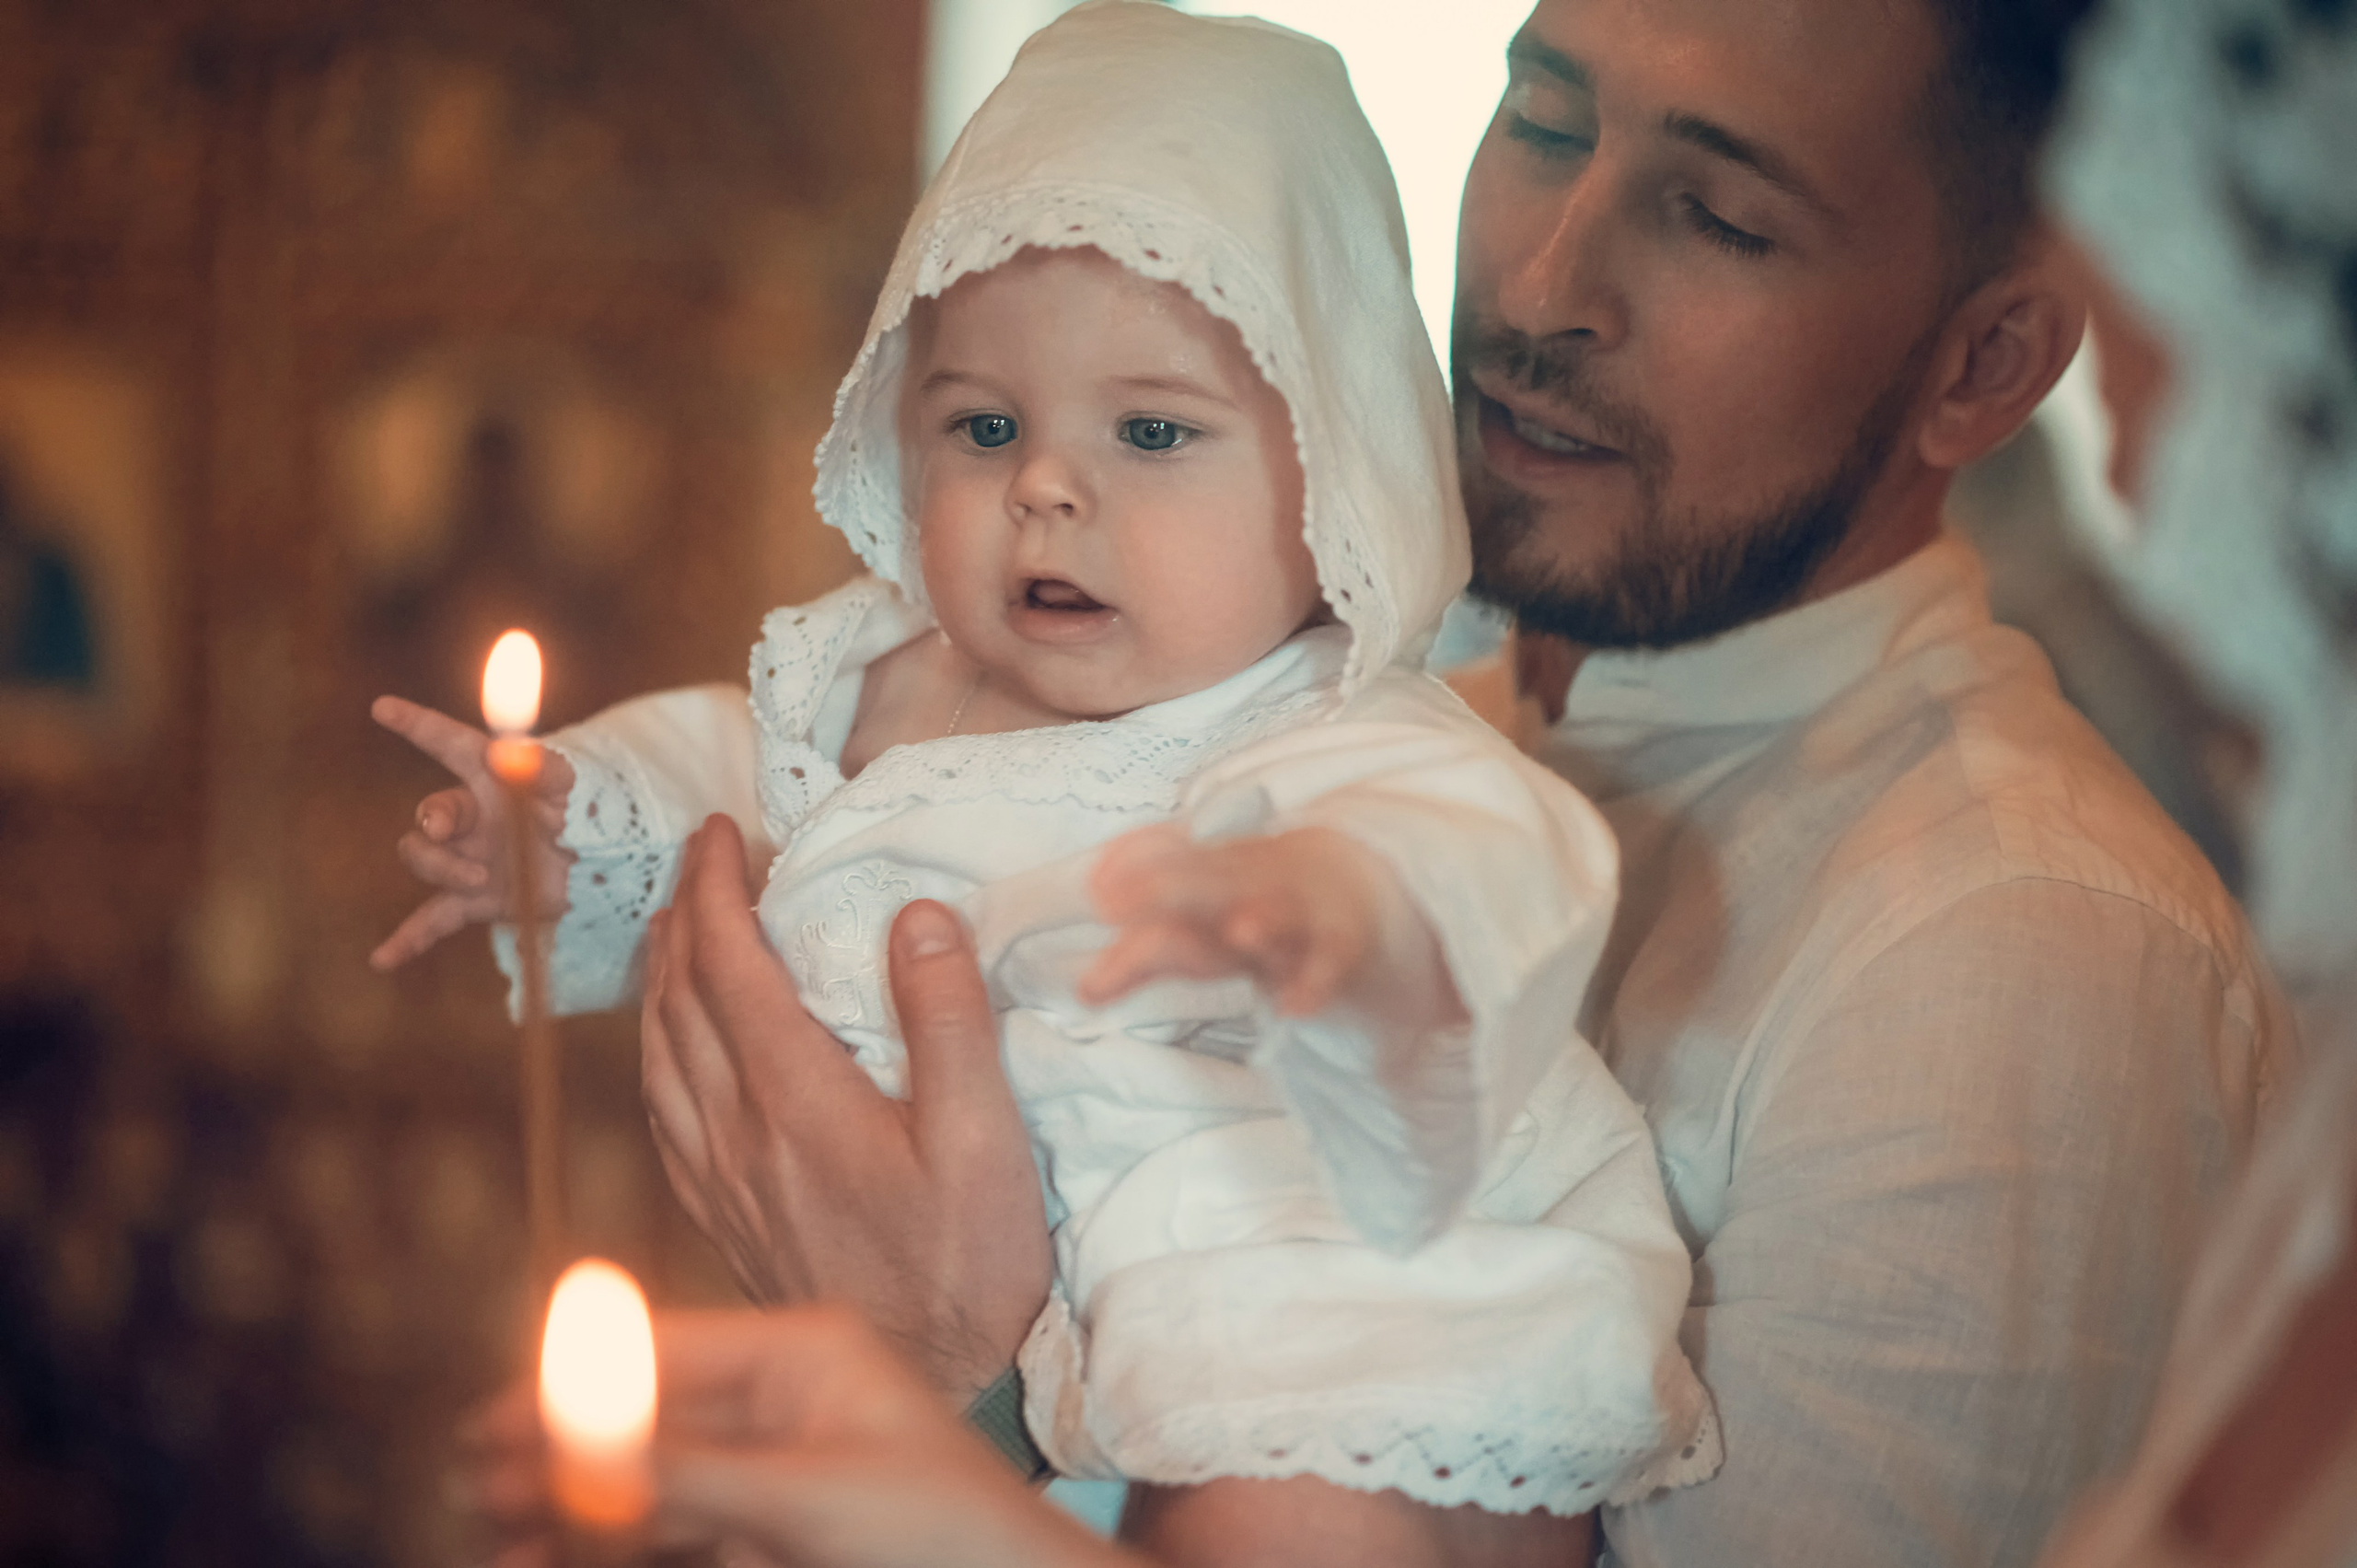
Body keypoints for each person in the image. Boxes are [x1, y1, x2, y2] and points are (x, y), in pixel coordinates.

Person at [462, 0, 2300, 1562]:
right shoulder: (1303, 714)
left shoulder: (2014, 955)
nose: (1543, 282)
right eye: (1544, 118)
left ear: (1980, 364)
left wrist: (957, 1378)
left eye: (1716, 217)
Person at [386, 3, 1716, 1550]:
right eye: (984, 425)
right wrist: (567, 818)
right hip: (1036, 1343)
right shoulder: (877, 678)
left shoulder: (1317, 724)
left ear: (1336, 470)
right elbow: (722, 766)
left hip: (1329, 1314)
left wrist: (1325, 905)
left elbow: (1486, 845)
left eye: (1153, 429)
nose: (1047, 487)